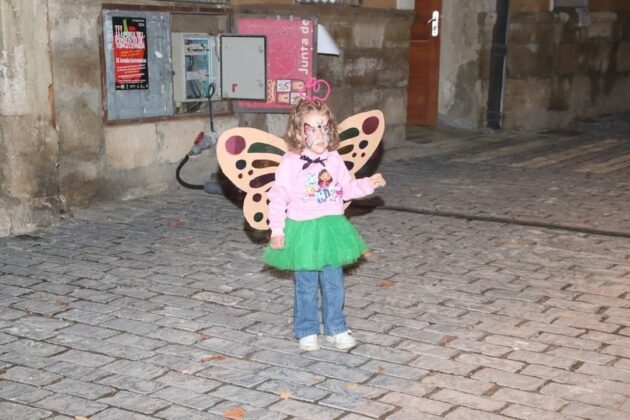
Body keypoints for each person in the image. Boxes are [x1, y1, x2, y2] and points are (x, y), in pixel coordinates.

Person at [263, 99, 386, 351]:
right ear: (298, 132)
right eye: (312, 128)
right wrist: (277, 229)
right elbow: (278, 196)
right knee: (306, 285)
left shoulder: (334, 159)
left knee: (334, 284)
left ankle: (336, 327)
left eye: (325, 127)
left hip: (331, 229)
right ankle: (307, 330)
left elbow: (346, 188)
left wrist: (369, 184)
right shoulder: (290, 162)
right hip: (303, 230)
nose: (320, 134)